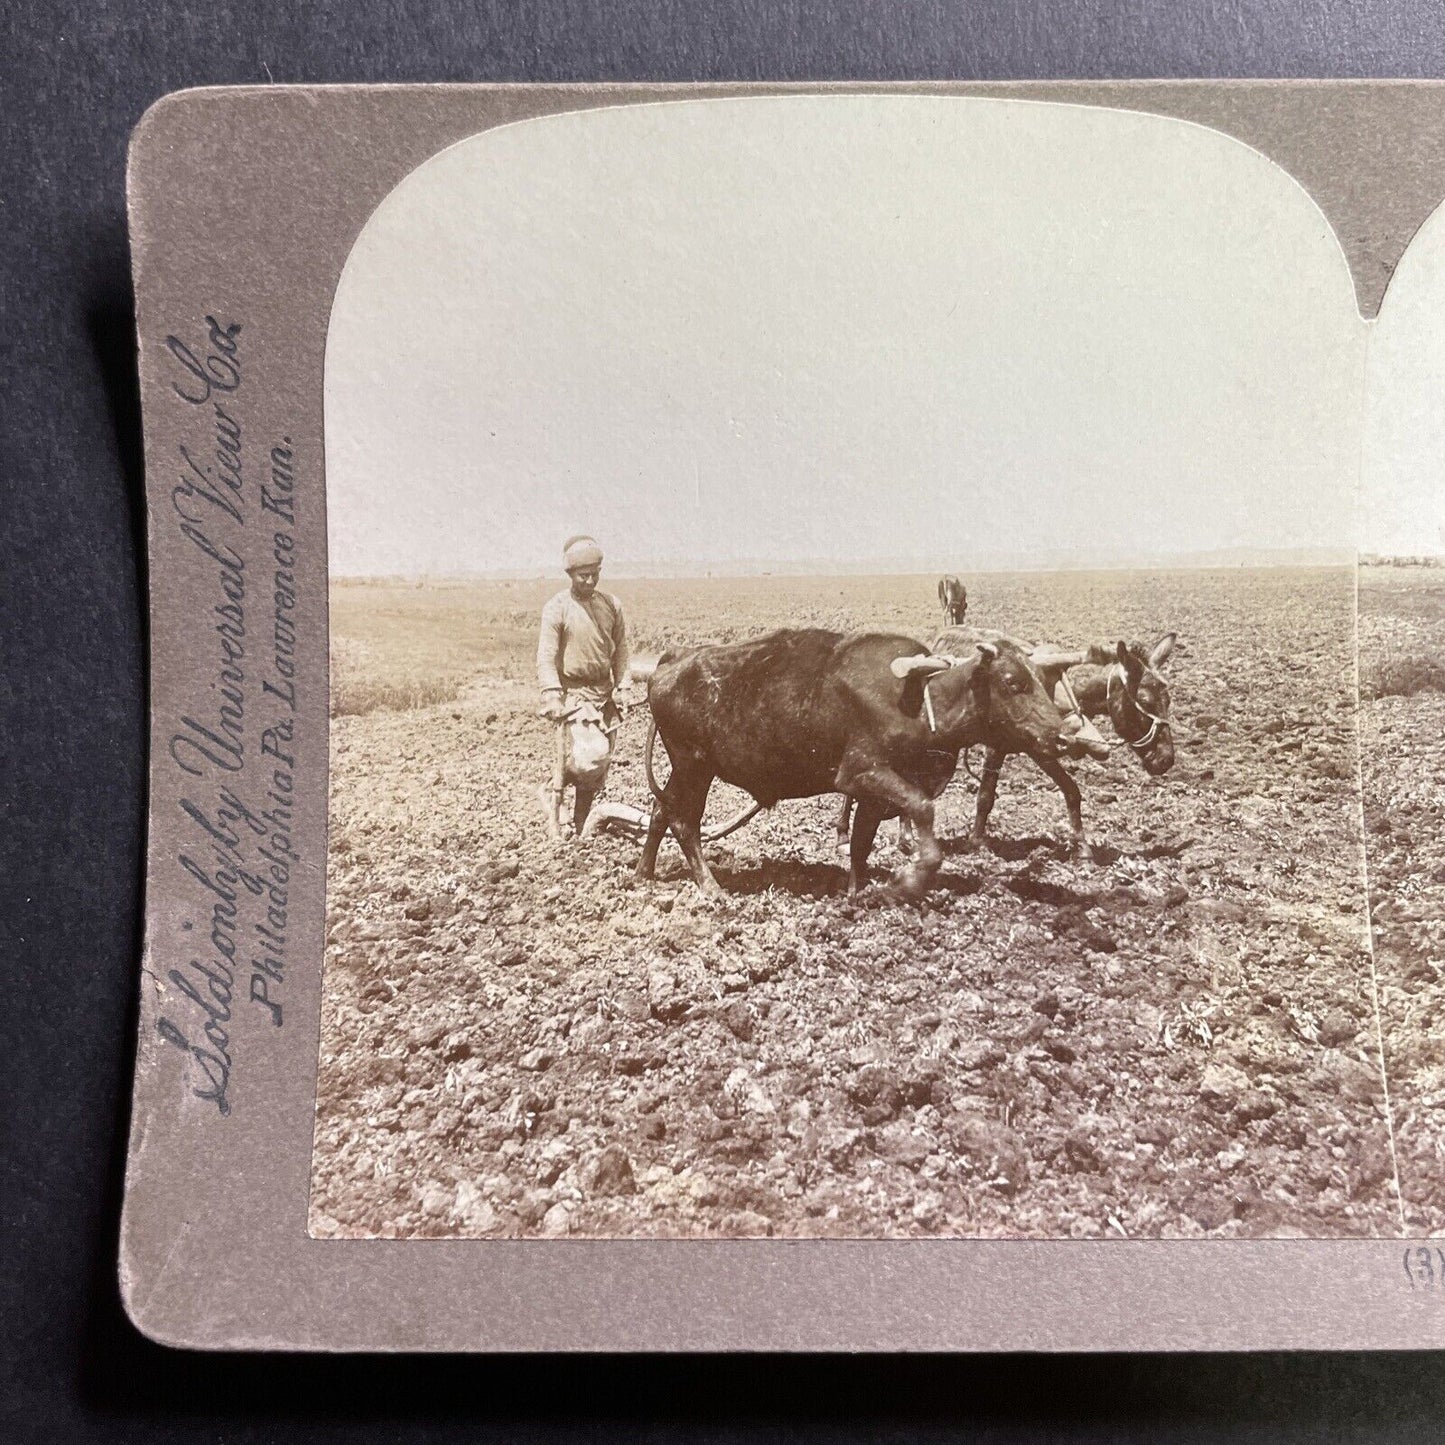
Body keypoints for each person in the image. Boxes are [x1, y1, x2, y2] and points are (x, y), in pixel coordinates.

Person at [536, 535, 630, 838]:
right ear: (570, 575)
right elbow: (546, 656)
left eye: (595, 574)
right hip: (573, 695)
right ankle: (554, 802)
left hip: (604, 695)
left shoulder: (611, 605)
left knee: (597, 771)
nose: (590, 581)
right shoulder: (557, 608)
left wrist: (624, 686)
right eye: (582, 576)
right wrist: (551, 693)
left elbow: (622, 651)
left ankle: (579, 824)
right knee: (589, 758)